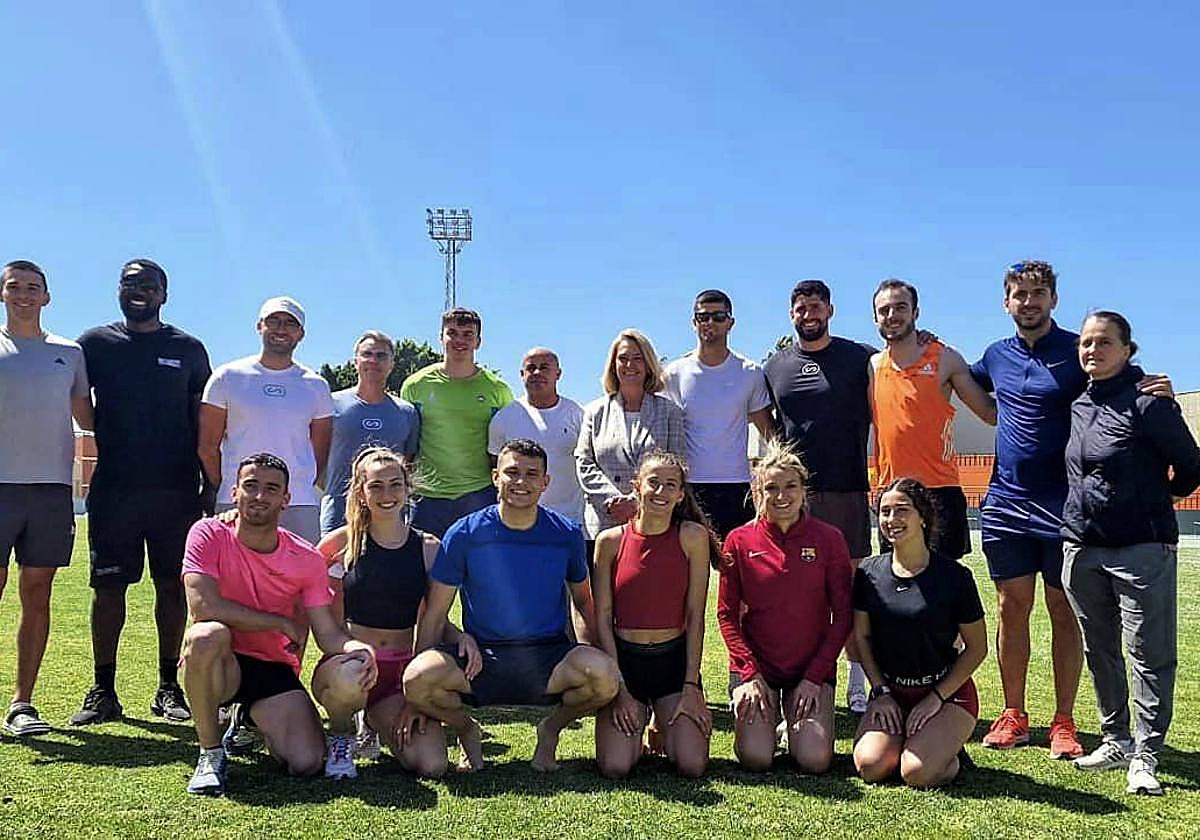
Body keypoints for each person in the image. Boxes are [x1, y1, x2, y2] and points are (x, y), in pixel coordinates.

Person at [969, 261, 1173, 757]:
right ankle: (1013, 713)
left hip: (1066, 508)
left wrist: (1156, 387)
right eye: (1020, 294)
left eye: (1039, 293)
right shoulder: (995, 356)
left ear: (1053, 300)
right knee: (1009, 608)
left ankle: (1065, 720)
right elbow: (960, 378)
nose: (1029, 302)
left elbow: (1122, 376)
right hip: (1006, 505)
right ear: (1006, 302)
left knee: (1065, 611)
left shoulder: (1077, 350)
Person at [401, 439, 621, 772]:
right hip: (481, 660)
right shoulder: (464, 534)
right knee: (417, 679)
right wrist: (413, 698)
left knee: (604, 678)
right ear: (495, 477)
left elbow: (583, 604)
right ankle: (466, 730)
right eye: (512, 472)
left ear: (546, 482)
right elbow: (434, 614)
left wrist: (599, 656)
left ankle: (551, 730)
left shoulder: (566, 533)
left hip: (549, 657)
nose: (521, 482)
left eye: (532, 474)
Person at [179, 453, 377, 796]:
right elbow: (204, 605)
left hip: (273, 667)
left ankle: (249, 720)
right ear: (235, 490)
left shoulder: (306, 558)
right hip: (222, 662)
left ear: (286, 500)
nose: (259, 496)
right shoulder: (207, 532)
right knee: (206, 635)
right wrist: (278, 623)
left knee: (307, 762)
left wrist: (353, 647)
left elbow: (327, 632)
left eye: (271, 489)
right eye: (251, 486)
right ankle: (210, 754)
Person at [1060, 311, 1200, 796]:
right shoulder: (1079, 402)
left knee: (1148, 653)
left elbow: (1191, 465)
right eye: (1085, 344)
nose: (1092, 351)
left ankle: (1146, 753)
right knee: (1099, 649)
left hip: (1141, 548)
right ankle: (1115, 737)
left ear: (1127, 349)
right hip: (1082, 548)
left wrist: (1161, 500)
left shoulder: (1150, 403)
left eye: (1103, 343)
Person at [71, 259, 212, 727]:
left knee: (172, 587)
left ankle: (168, 688)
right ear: (118, 290)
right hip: (115, 489)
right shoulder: (93, 345)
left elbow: (202, 422)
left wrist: (207, 484)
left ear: (164, 295)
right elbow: (79, 406)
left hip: (175, 491)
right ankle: (103, 689)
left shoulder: (188, 349)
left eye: (149, 285)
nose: (139, 292)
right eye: (130, 284)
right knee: (108, 586)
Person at [312, 446, 480, 778]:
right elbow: (292, 570)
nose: (386, 494)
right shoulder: (340, 545)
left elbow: (434, 617)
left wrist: (462, 637)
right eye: (376, 486)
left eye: (395, 484)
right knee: (348, 680)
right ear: (361, 492)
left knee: (432, 765)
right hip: (351, 665)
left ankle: (374, 718)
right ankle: (343, 734)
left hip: (402, 673)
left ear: (407, 488)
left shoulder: (428, 548)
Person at [763, 279, 874, 713]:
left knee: (847, 592)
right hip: (795, 496)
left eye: (816, 306)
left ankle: (858, 684)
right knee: (796, 592)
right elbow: (765, 419)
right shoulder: (774, 367)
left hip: (847, 489)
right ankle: (795, 678)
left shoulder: (861, 357)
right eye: (800, 308)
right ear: (791, 314)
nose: (808, 314)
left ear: (830, 310)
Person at [719, 441, 852, 772]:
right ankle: (769, 721)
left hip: (808, 670)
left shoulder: (829, 538)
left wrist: (814, 677)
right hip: (758, 668)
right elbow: (726, 614)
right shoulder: (738, 540)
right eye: (771, 488)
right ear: (758, 492)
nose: (781, 496)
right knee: (756, 758)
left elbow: (843, 615)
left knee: (814, 760)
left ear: (804, 489)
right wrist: (748, 674)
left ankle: (791, 720)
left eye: (790, 486)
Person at [0, 259, 93, 736]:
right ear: (2, 294)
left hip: (52, 491)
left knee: (37, 594)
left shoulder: (69, 353)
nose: (24, 295)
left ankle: (22, 704)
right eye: (14, 287)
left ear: (47, 296)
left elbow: (89, 417)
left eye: (33, 288)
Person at [853, 478, 988, 788]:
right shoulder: (868, 573)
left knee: (916, 773)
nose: (891, 520)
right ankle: (918, 742)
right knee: (871, 767)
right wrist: (881, 693)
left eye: (902, 510)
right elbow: (862, 638)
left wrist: (936, 698)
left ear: (923, 517)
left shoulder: (954, 577)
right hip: (892, 694)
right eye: (884, 511)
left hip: (947, 694)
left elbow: (977, 648)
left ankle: (948, 753)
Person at [592, 450, 715, 778]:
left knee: (692, 765)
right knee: (616, 767)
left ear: (680, 494)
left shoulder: (692, 537)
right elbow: (602, 618)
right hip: (626, 664)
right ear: (636, 486)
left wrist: (691, 686)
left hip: (672, 664)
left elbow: (695, 616)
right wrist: (618, 688)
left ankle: (663, 718)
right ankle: (641, 718)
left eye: (670, 485)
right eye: (653, 483)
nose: (661, 492)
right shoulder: (609, 542)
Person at [869, 278, 997, 559]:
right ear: (875, 317)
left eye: (900, 308)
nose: (892, 316)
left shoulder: (945, 359)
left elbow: (989, 414)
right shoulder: (871, 366)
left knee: (944, 584)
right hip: (892, 493)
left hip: (939, 490)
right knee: (898, 585)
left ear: (915, 312)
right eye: (884, 310)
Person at [198, 296, 334, 544]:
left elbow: (320, 453)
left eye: (290, 324)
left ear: (301, 334)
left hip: (299, 501)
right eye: (274, 321)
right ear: (259, 326)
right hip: (238, 501)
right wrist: (233, 484)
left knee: (298, 578)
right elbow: (207, 447)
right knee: (234, 578)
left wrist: (295, 483)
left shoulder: (316, 385)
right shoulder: (226, 377)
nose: (281, 329)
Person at [663, 290, 774, 538]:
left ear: (730, 322)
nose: (710, 323)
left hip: (737, 487)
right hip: (689, 487)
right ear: (694, 323)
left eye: (718, 316)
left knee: (737, 567)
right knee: (690, 568)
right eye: (703, 317)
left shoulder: (750, 372)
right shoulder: (674, 374)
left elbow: (770, 434)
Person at [400, 308, 513, 537]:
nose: (460, 340)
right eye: (452, 332)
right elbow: (407, 443)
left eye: (468, 334)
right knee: (425, 569)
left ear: (478, 342)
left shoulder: (498, 390)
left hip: (478, 494)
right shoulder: (415, 385)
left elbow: (505, 448)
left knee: (476, 569)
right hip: (426, 496)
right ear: (441, 337)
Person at [576, 329, 685, 558]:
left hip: (653, 520)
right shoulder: (594, 411)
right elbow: (584, 462)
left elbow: (677, 465)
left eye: (638, 358)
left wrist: (638, 502)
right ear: (613, 364)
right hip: (603, 523)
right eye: (623, 358)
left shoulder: (669, 412)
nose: (630, 365)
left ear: (648, 365)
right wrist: (612, 500)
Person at [321, 331, 420, 535]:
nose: (373, 360)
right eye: (367, 354)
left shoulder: (407, 412)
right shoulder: (330, 404)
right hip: (339, 512)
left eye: (381, 355)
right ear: (355, 361)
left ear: (392, 363)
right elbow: (315, 457)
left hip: (390, 514)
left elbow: (408, 463)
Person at [488, 347, 585, 523]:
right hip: (515, 520)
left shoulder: (577, 414)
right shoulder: (504, 417)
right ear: (522, 374)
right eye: (531, 368)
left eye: (545, 367)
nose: (537, 373)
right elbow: (495, 464)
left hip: (569, 519)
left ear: (558, 374)